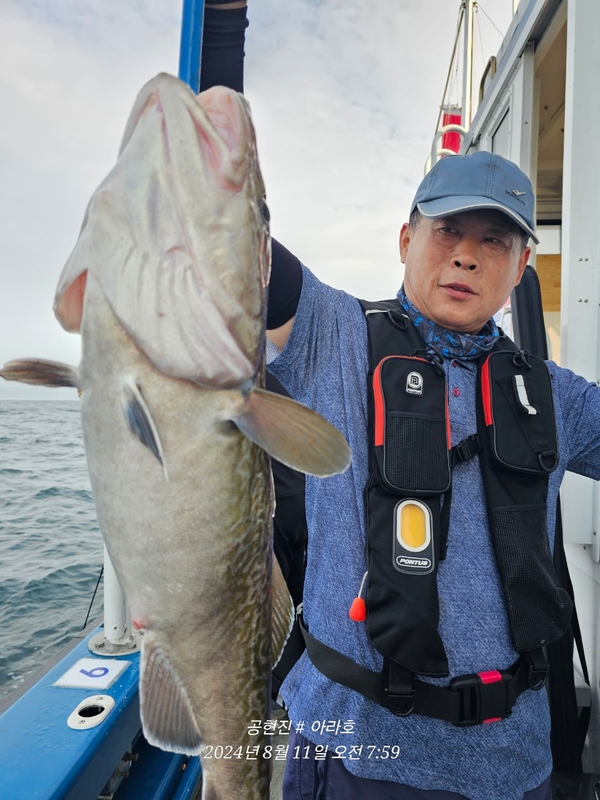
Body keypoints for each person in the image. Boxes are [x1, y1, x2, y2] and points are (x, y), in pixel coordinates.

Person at [201, 6, 600, 800]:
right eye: (448, 228)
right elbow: (225, 227)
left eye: (496, 240)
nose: (465, 254)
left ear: (521, 266)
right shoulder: (333, 337)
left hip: (513, 768)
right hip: (355, 756)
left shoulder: (556, 395)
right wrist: (222, 31)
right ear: (406, 238)